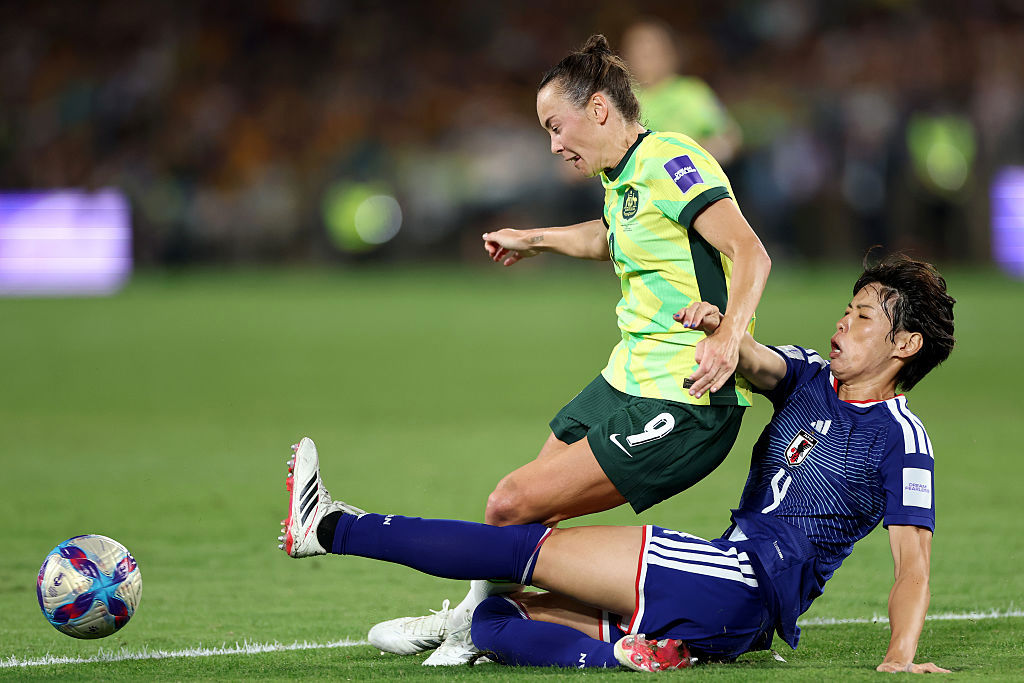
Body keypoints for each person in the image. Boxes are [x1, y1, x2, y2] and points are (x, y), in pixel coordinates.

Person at [279, 254, 955, 673]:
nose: (841, 324)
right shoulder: (811, 376)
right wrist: (720, 328)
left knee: (521, 547)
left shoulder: (902, 439)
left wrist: (899, 657)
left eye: (862, 317)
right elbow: (755, 360)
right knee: (495, 621)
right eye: (845, 310)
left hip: (742, 581)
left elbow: (913, 565)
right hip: (720, 601)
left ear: (906, 344)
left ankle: (331, 528)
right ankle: (629, 657)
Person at [362, 33, 772, 665]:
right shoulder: (622, 174)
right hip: (627, 377)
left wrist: (728, 337)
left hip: (686, 394)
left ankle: (478, 625)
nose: (553, 145)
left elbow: (750, 251)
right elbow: (613, 235)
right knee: (519, 512)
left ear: (599, 109)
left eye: (556, 127)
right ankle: (475, 621)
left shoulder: (671, 159)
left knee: (510, 504)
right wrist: (534, 239)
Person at [621, 19, 743, 165]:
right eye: (640, 54)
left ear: (671, 55)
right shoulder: (620, 98)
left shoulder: (692, 92)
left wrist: (693, 155)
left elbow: (730, 137)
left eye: (653, 53)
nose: (646, 61)